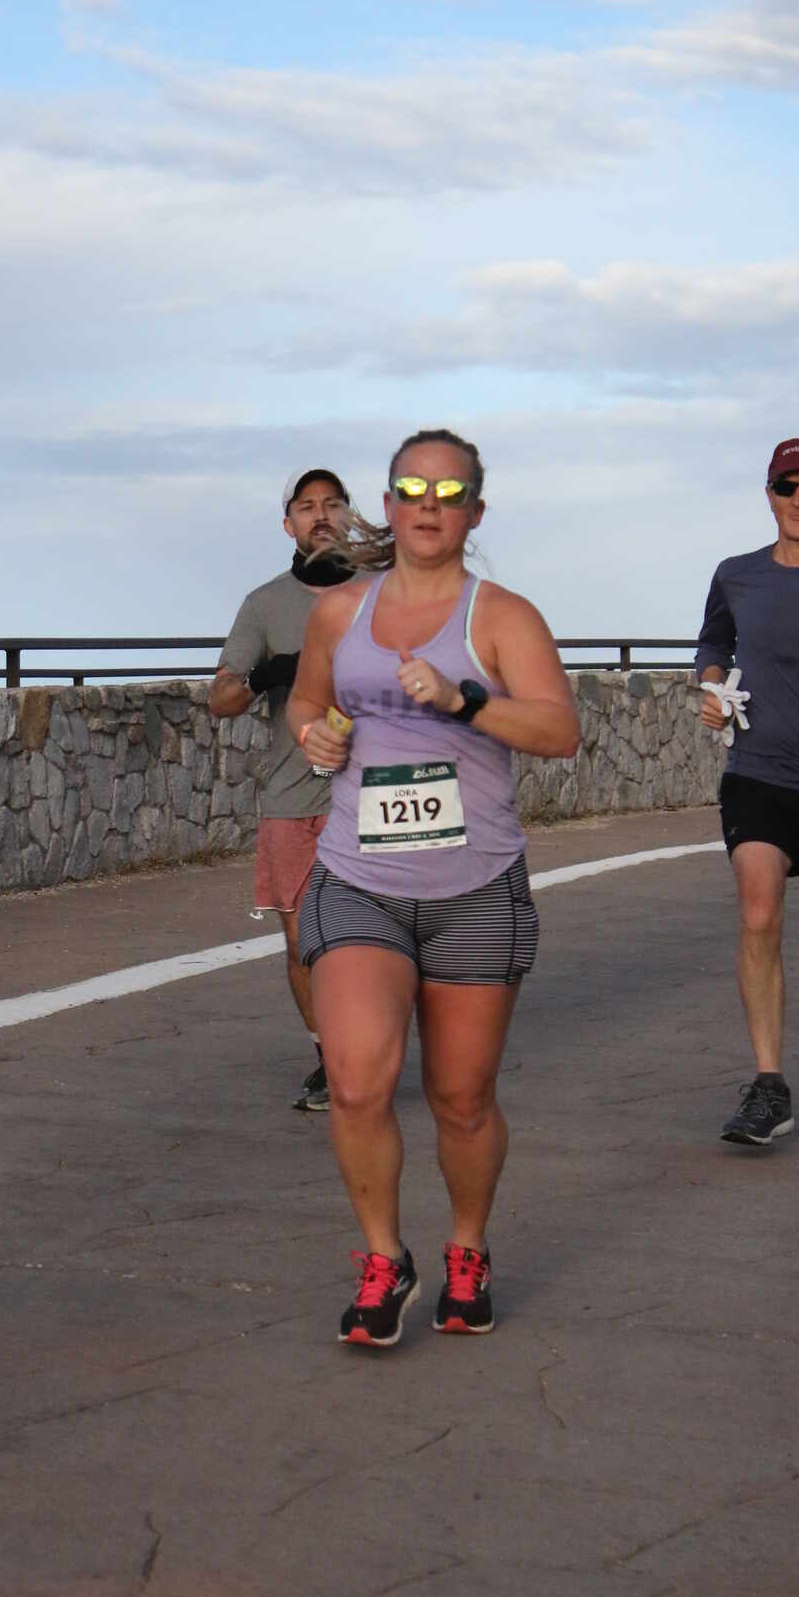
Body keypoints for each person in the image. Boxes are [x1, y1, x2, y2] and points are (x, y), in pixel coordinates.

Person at [285, 429, 580, 1347]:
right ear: (388, 502)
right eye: (411, 488)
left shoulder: (502, 618)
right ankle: (383, 1259)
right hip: (359, 879)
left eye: (448, 493)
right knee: (356, 1082)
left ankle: (467, 1248)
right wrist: (312, 734)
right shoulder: (339, 612)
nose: (428, 504)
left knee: (461, 1100)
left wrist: (464, 700)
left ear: (474, 512)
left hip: (474, 887)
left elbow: (559, 732)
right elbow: (305, 700)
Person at [696, 437, 799, 1146]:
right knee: (758, 914)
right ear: (768, 495)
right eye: (786, 487)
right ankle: (769, 1086)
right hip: (758, 776)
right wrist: (710, 688)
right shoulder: (735, 575)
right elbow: (713, 646)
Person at [210, 467, 355, 1110]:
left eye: (332, 504)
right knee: (304, 945)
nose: (320, 515)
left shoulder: (384, 592)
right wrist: (267, 673)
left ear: (349, 515)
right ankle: (332, 1060)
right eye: (306, 506)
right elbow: (220, 698)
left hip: (371, 799)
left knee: (373, 940)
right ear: (288, 523)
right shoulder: (265, 604)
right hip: (294, 801)